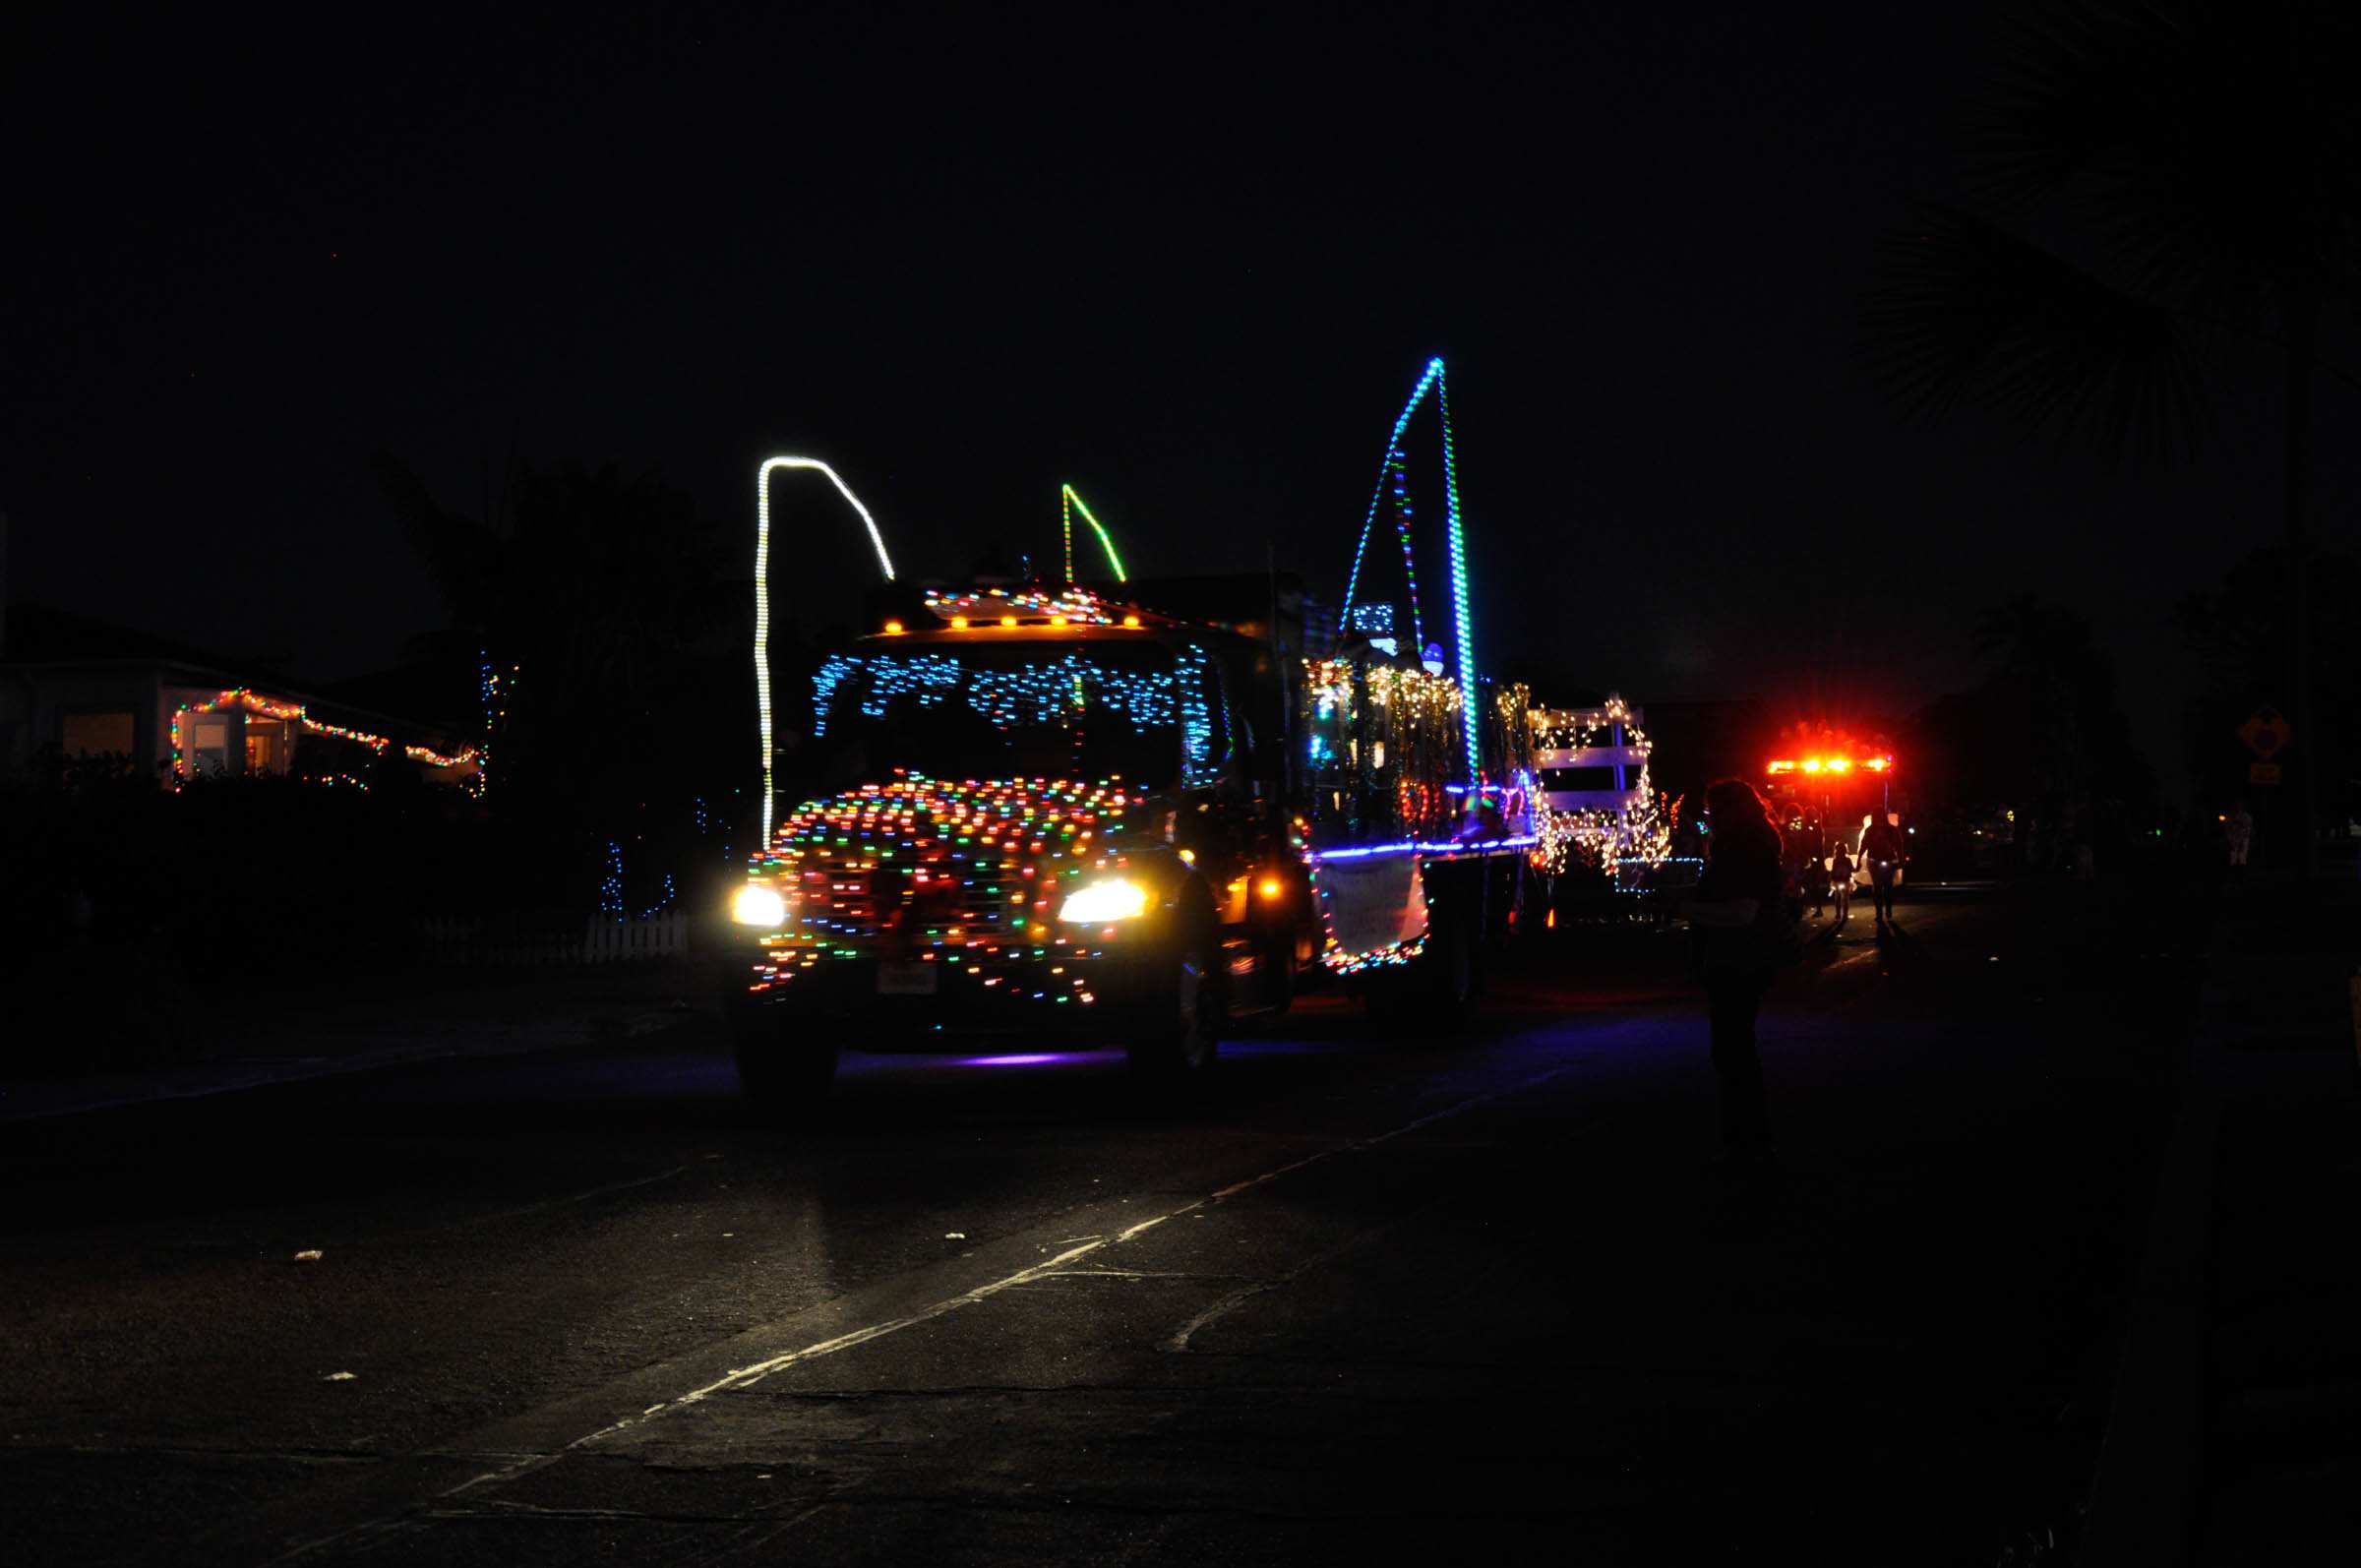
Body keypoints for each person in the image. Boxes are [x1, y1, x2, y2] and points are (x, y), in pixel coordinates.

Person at [1683, 778, 1786, 1170]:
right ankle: (1750, 1139)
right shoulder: (1755, 842)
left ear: (1728, 811)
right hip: (1749, 960)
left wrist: (1687, 909)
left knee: (1733, 1055)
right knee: (1737, 1052)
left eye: (1712, 811)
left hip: (1737, 961)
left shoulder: (1741, 849)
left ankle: (1745, 1142)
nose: (1709, 819)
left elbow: (1741, 913)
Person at [1861, 809, 1906, 929]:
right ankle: (1879, 912)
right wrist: (1860, 857)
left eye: (1881, 815)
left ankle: (1888, 909)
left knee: (1888, 886)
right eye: (1877, 815)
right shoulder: (1870, 830)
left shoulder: (1892, 830)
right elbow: (1864, 844)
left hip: (1888, 860)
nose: (1879, 818)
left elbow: (1899, 845)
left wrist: (1901, 860)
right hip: (1874, 861)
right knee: (1877, 887)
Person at [1828, 840, 1855, 927]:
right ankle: (1841, 915)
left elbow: (1851, 868)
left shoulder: (1844, 860)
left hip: (1843, 880)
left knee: (1841, 897)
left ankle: (1841, 915)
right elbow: (1834, 870)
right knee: (1841, 898)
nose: (1840, 851)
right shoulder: (1838, 860)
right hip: (1840, 880)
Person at [2224, 800, 2254, 869]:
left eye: (2240, 805)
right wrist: (2230, 838)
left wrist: (2244, 837)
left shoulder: (2247, 816)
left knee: (2242, 857)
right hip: (2234, 839)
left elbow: (2248, 828)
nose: (2239, 807)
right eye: (2237, 805)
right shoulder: (2231, 816)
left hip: (2243, 839)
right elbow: (2228, 827)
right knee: (2233, 857)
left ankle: (2242, 874)